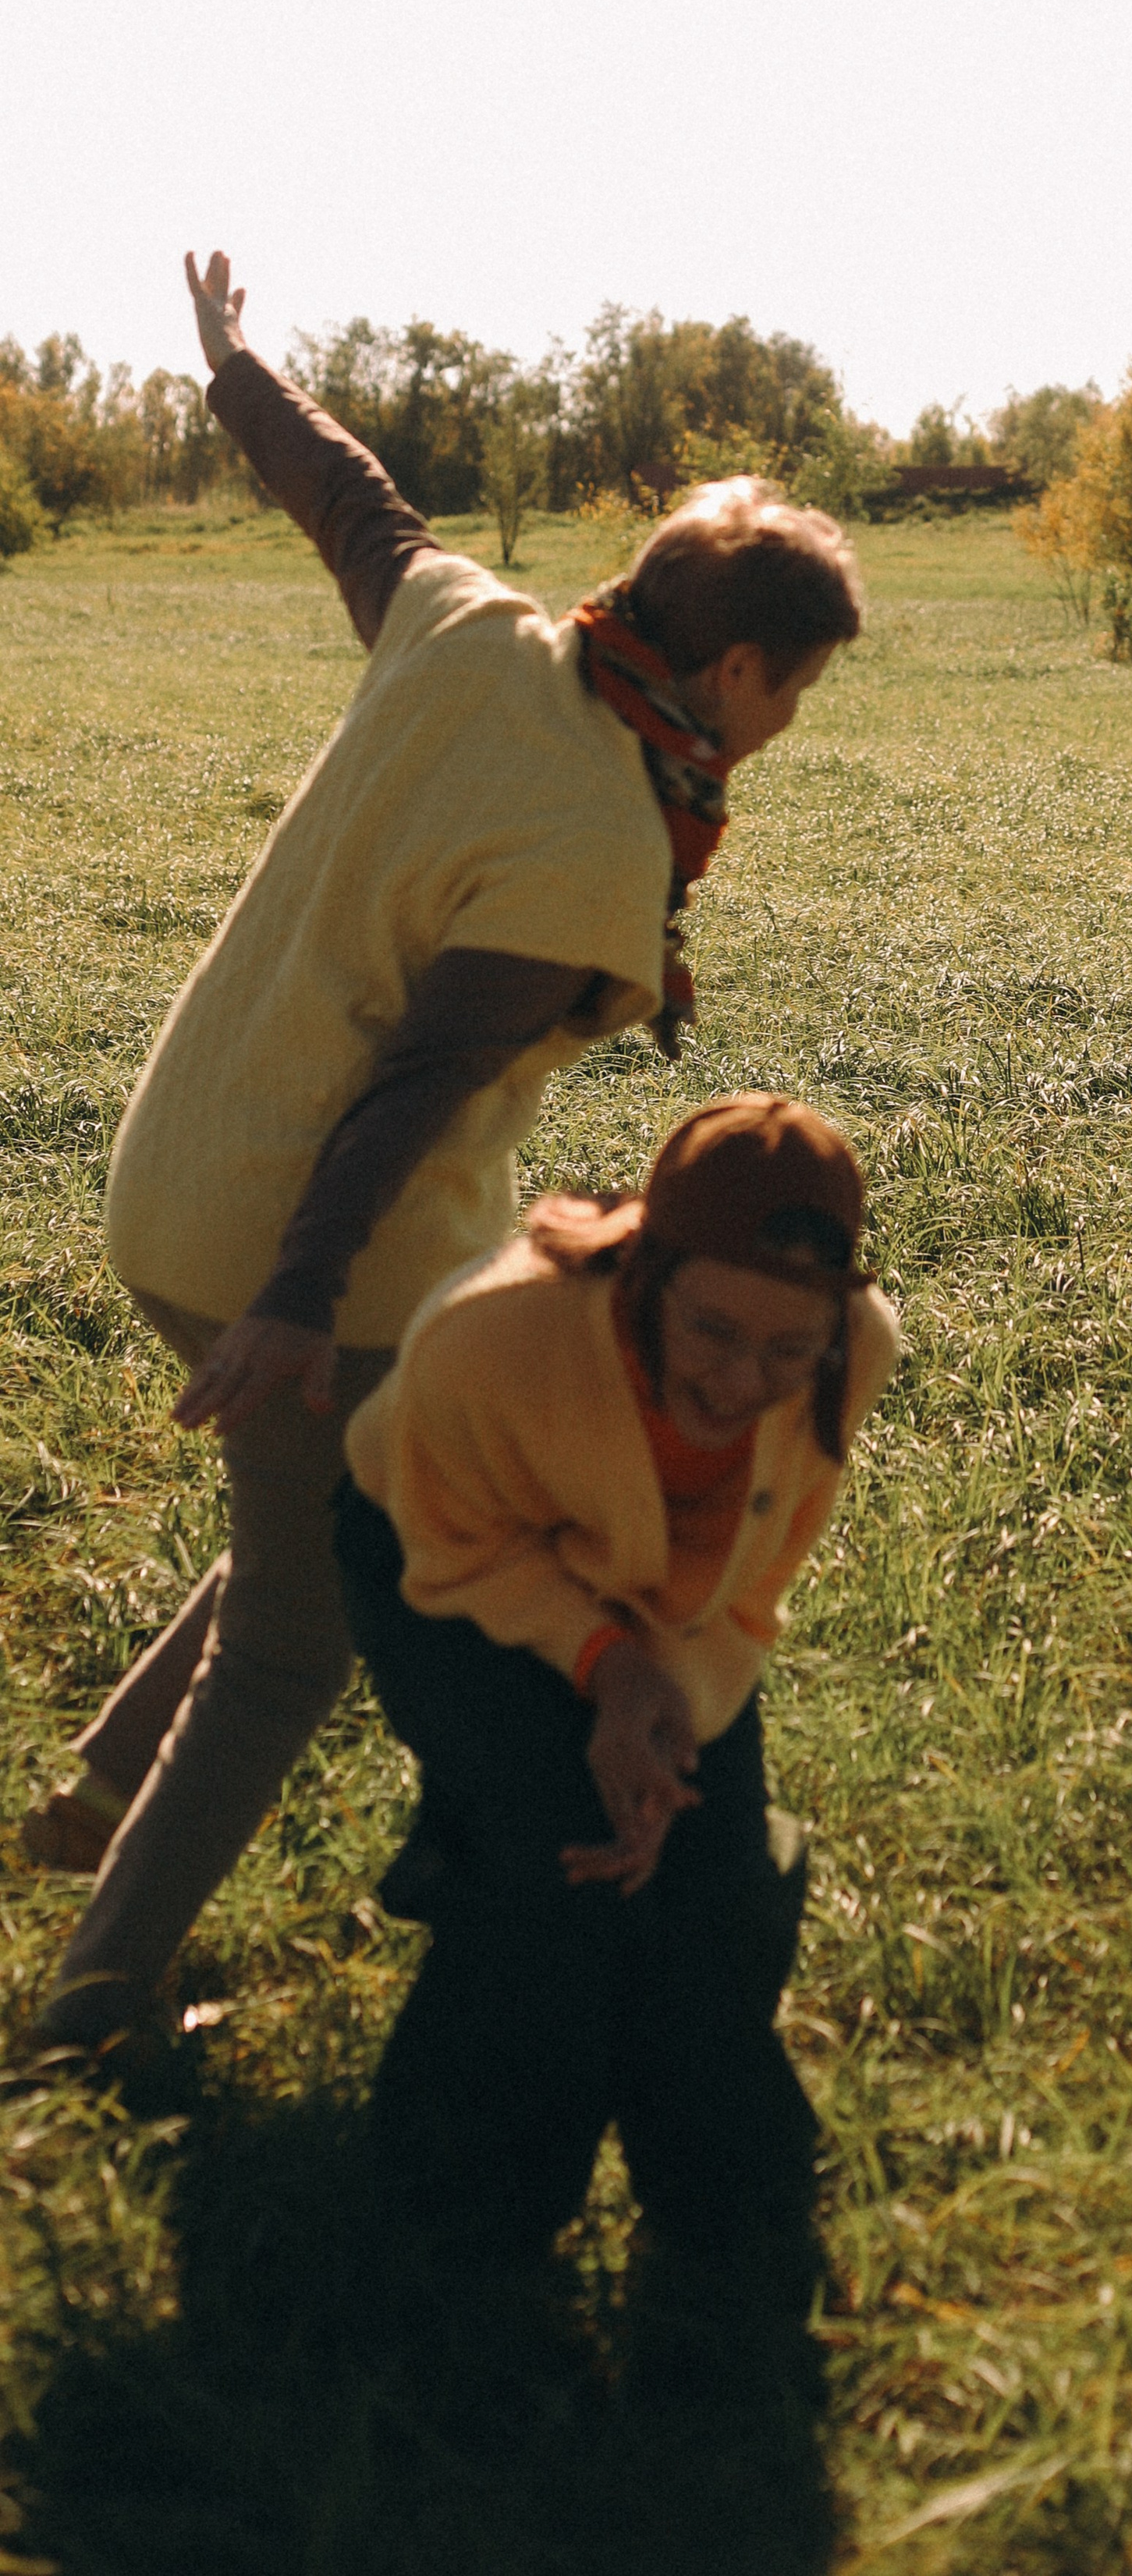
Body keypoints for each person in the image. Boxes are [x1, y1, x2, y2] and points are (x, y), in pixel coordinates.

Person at [29, 255, 863, 2053]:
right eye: (791, 693)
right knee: (292, 1647)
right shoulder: (596, 852)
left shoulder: (472, 623)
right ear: (732, 669)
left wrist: (238, 370)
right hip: (302, 1245)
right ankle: (88, 2016)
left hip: (184, 1165)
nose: (787, 727)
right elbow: (418, 1083)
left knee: (329, 1506)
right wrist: (297, 1307)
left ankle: (92, 1797)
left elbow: (348, 496)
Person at [332, 1094, 900, 2290]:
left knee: (707, 1874)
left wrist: (662, 1720)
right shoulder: (488, 1339)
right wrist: (601, 1672)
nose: (745, 1378)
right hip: (442, 1560)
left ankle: (730, 2209)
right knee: (555, 1858)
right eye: (710, 1331)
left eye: (787, 1349)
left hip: (671, 1614)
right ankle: (461, 2220)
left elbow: (748, 1590)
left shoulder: (857, 1356)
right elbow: (454, 1550)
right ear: (645, 1270)